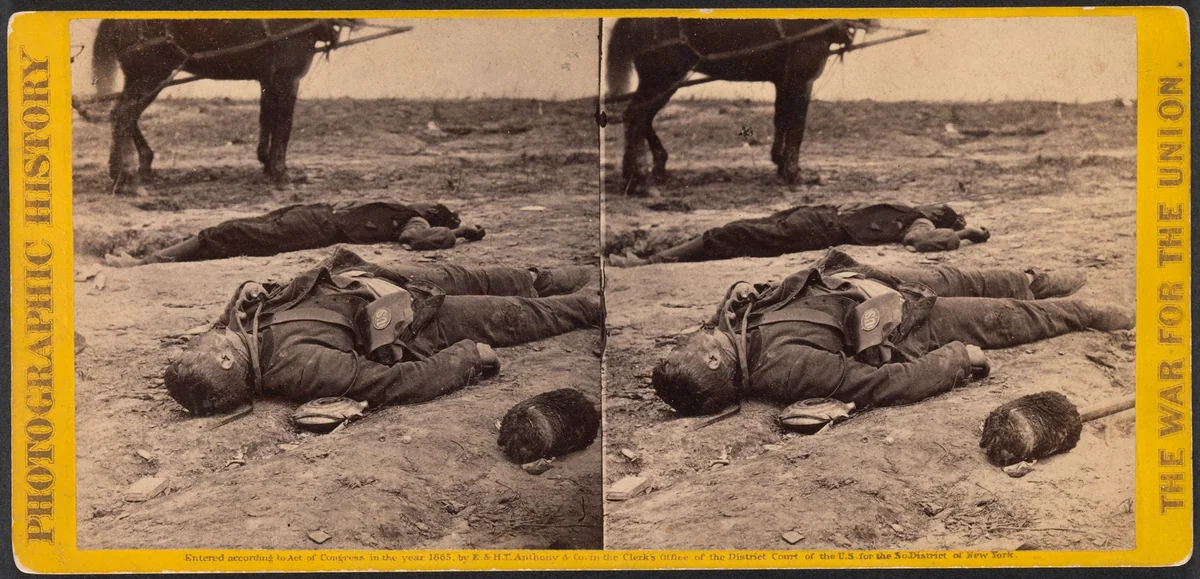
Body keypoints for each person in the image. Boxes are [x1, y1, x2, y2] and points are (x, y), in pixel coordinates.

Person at [650, 249, 1134, 416]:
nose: (690, 335)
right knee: (997, 316)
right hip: (900, 325)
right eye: (684, 347)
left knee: (958, 276)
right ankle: (1081, 313)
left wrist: (741, 289)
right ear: (712, 361)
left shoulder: (727, 336)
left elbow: (727, 312)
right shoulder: (788, 369)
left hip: (856, 283)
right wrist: (956, 360)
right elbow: (878, 385)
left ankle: (1035, 282)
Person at [164, 247, 601, 416]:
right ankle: (588, 305)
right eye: (196, 348)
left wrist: (245, 290)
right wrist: (467, 358)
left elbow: (223, 323)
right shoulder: (299, 367)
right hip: (413, 323)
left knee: (475, 276)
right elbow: (390, 383)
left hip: (371, 282)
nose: (200, 337)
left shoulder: (238, 337)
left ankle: (551, 278)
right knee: (505, 315)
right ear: (226, 360)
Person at [105, 200, 487, 267]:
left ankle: (145, 262)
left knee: (231, 232)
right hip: (313, 212)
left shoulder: (414, 221)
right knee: (233, 231)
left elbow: (415, 241)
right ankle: (158, 255)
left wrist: (460, 232)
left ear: (433, 215)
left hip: (316, 226)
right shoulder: (403, 206)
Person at [609, 201, 991, 267]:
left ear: (939, 219)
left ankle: (649, 262)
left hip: (818, 227)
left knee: (734, 233)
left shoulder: (919, 223)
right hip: (815, 215)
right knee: (737, 233)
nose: (933, 207)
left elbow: (918, 242)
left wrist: (966, 234)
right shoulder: (908, 208)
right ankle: (654, 256)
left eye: (940, 211)